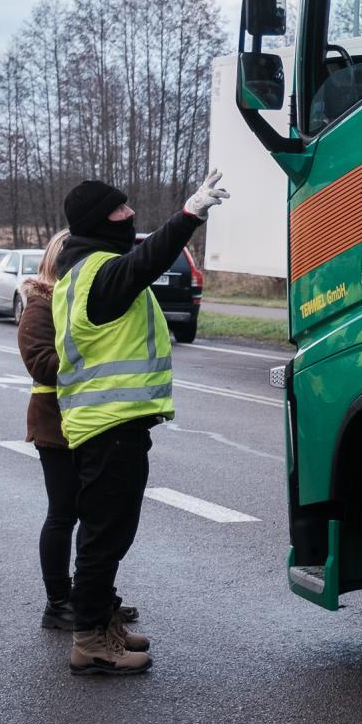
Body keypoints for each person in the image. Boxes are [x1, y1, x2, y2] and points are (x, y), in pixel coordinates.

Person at [53, 169, 228, 677]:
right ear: (97, 221)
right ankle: (89, 640)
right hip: (109, 423)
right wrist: (190, 213)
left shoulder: (81, 270)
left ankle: (103, 621)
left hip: (107, 421)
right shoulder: (102, 273)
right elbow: (147, 262)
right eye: (120, 210)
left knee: (109, 531)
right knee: (104, 536)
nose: (131, 215)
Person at [15, 233, 144, 635]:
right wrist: (95, 356)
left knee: (99, 518)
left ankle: (95, 598)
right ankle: (58, 602)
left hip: (93, 421)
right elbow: (40, 362)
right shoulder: (40, 303)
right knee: (63, 513)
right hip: (56, 426)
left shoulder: (85, 300)